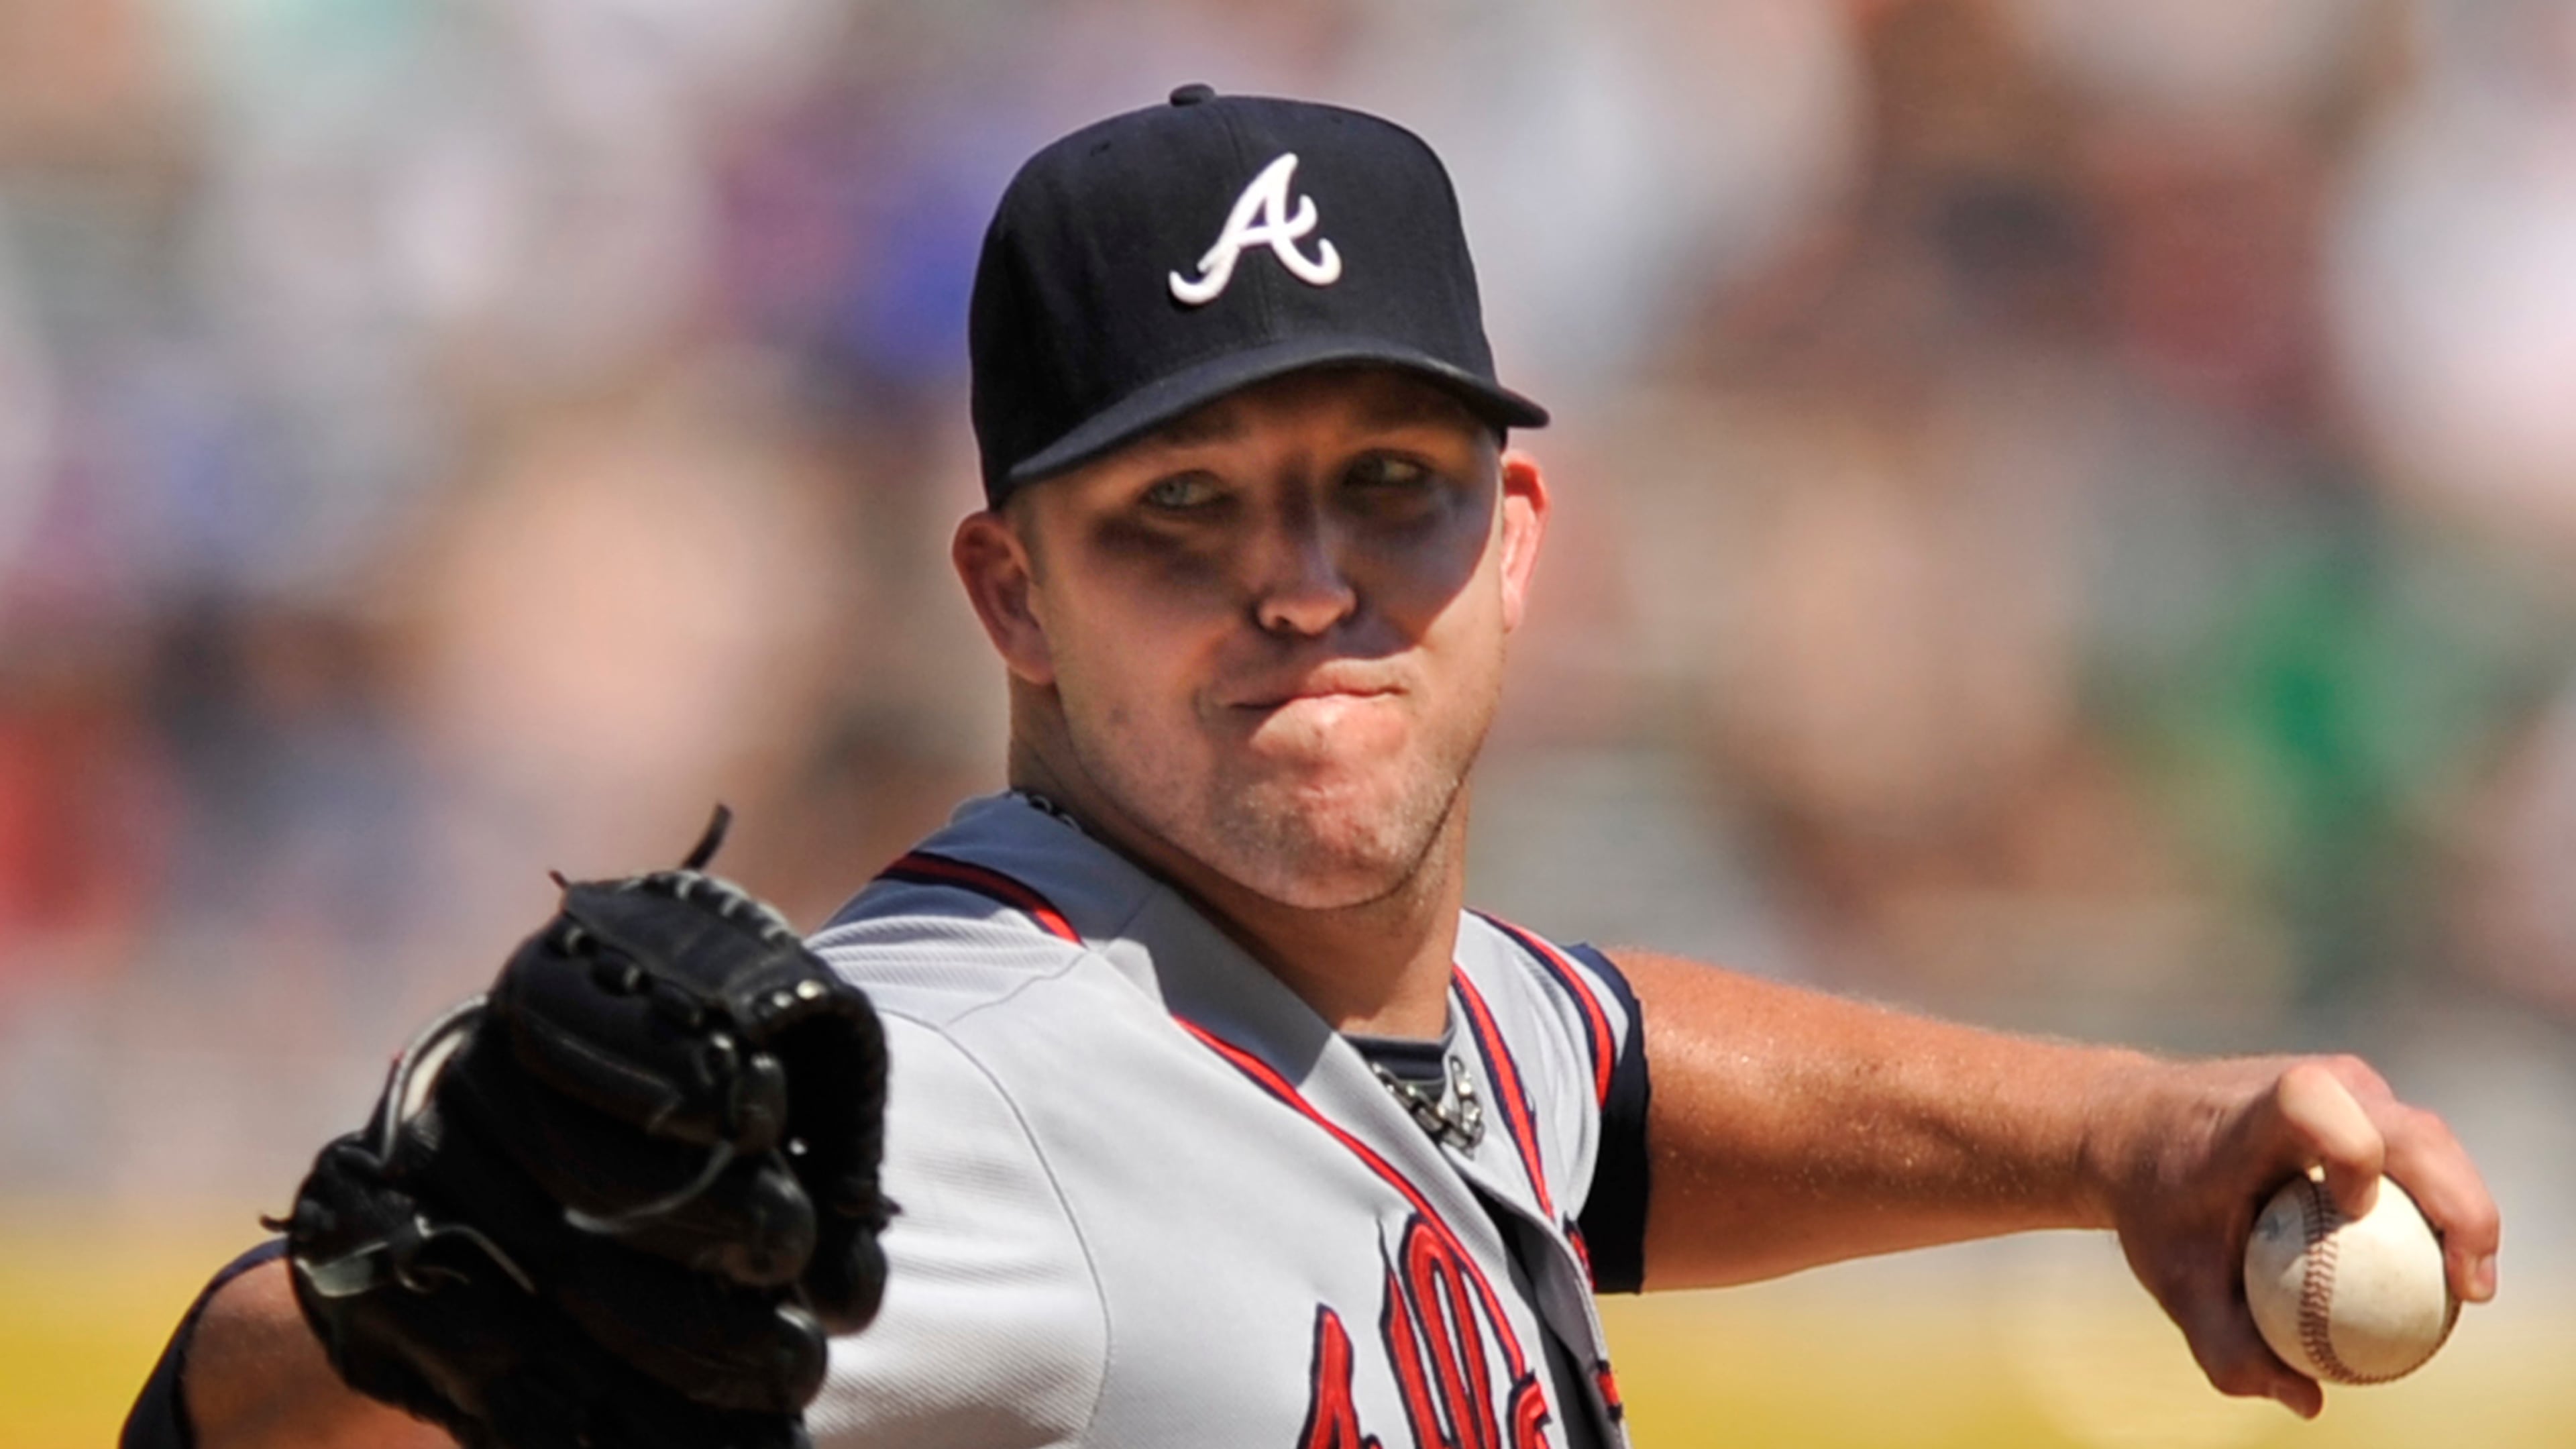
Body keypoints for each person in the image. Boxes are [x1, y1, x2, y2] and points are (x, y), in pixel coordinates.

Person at [130, 87, 2499, 1449]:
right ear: (1009, 598)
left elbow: (1610, 1090)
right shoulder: (967, 1083)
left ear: (1517, 538)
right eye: (1180, 510)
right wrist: (387, 1320)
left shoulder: (1350, 999)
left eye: (1391, 484)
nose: (1307, 583)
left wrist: (2126, 1142)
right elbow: (253, 1422)